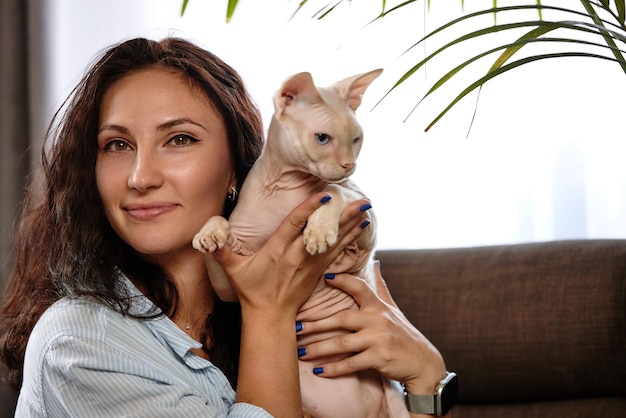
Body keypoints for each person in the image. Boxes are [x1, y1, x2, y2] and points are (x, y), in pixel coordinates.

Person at [0, 37, 449, 417]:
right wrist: (268, 313)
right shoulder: (81, 346)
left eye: (179, 139)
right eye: (117, 144)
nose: (140, 177)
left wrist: (428, 382)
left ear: (236, 168)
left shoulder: (300, 298)